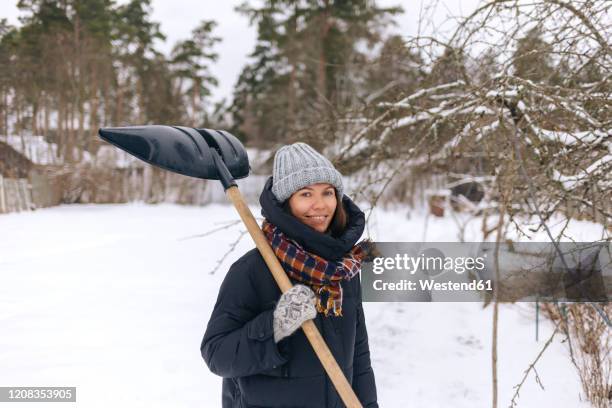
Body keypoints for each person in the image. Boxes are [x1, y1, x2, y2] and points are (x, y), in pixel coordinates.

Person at [201, 142, 378, 408]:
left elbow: (359, 355)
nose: (320, 205)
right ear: (286, 203)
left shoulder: (344, 270)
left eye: (327, 192)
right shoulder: (253, 270)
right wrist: (276, 324)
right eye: (306, 194)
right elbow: (217, 355)